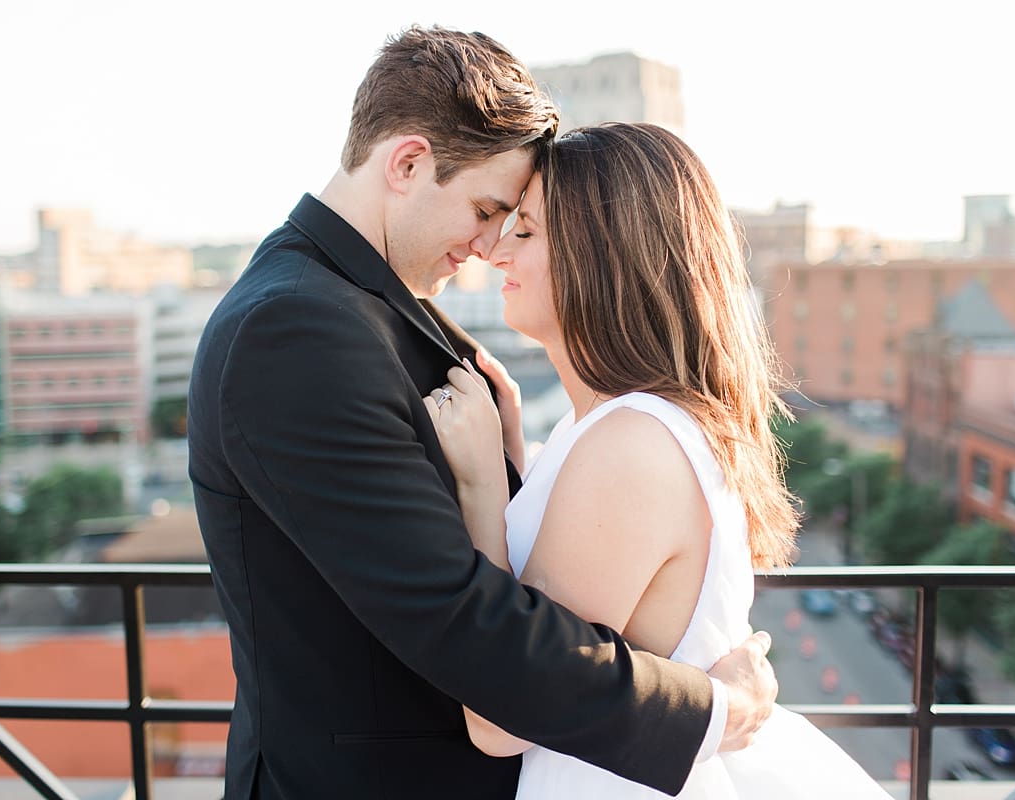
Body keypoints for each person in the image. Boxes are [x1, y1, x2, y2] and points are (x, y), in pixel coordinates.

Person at [188, 26, 778, 800]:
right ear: (407, 164)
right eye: (488, 209)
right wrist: (711, 708)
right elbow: (459, 617)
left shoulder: (370, 311)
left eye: (518, 225)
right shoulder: (297, 329)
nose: (487, 245)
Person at [426, 122, 894, 798]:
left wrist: (477, 484)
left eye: (525, 232)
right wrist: (513, 459)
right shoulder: (622, 427)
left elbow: (504, 717)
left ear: (603, 258)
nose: (496, 250)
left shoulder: (632, 443)